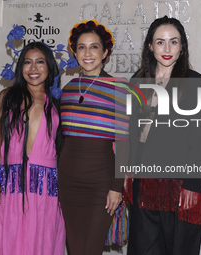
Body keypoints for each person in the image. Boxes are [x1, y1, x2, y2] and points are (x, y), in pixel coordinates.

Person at [125, 16, 201, 254]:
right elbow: (132, 132)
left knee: (180, 248)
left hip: (181, 186)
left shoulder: (197, 84)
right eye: (160, 42)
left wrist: (193, 185)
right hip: (143, 182)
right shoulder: (137, 81)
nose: (166, 49)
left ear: (182, 46)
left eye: (173, 42)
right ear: (149, 46)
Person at [0, 41, 65, 255]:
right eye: (28, 62)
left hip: (45, 185)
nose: (34, 68)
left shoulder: (58, 102)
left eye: (40, 62)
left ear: (50, 67)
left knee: (41, 239)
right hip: (10, 182)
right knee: (9, 237)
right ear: (21, 68)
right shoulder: (6, 98)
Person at [58, 20, 131, 255]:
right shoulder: (67, 90)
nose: (87, 53)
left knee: (90, 249)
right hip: (68, 181)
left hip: (101, 183)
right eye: (81, 47)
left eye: (94, 47)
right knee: (75, 248)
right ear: (75, 52)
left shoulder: (119, 88)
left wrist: (117, 186)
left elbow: (125, 143)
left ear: (105, 52)